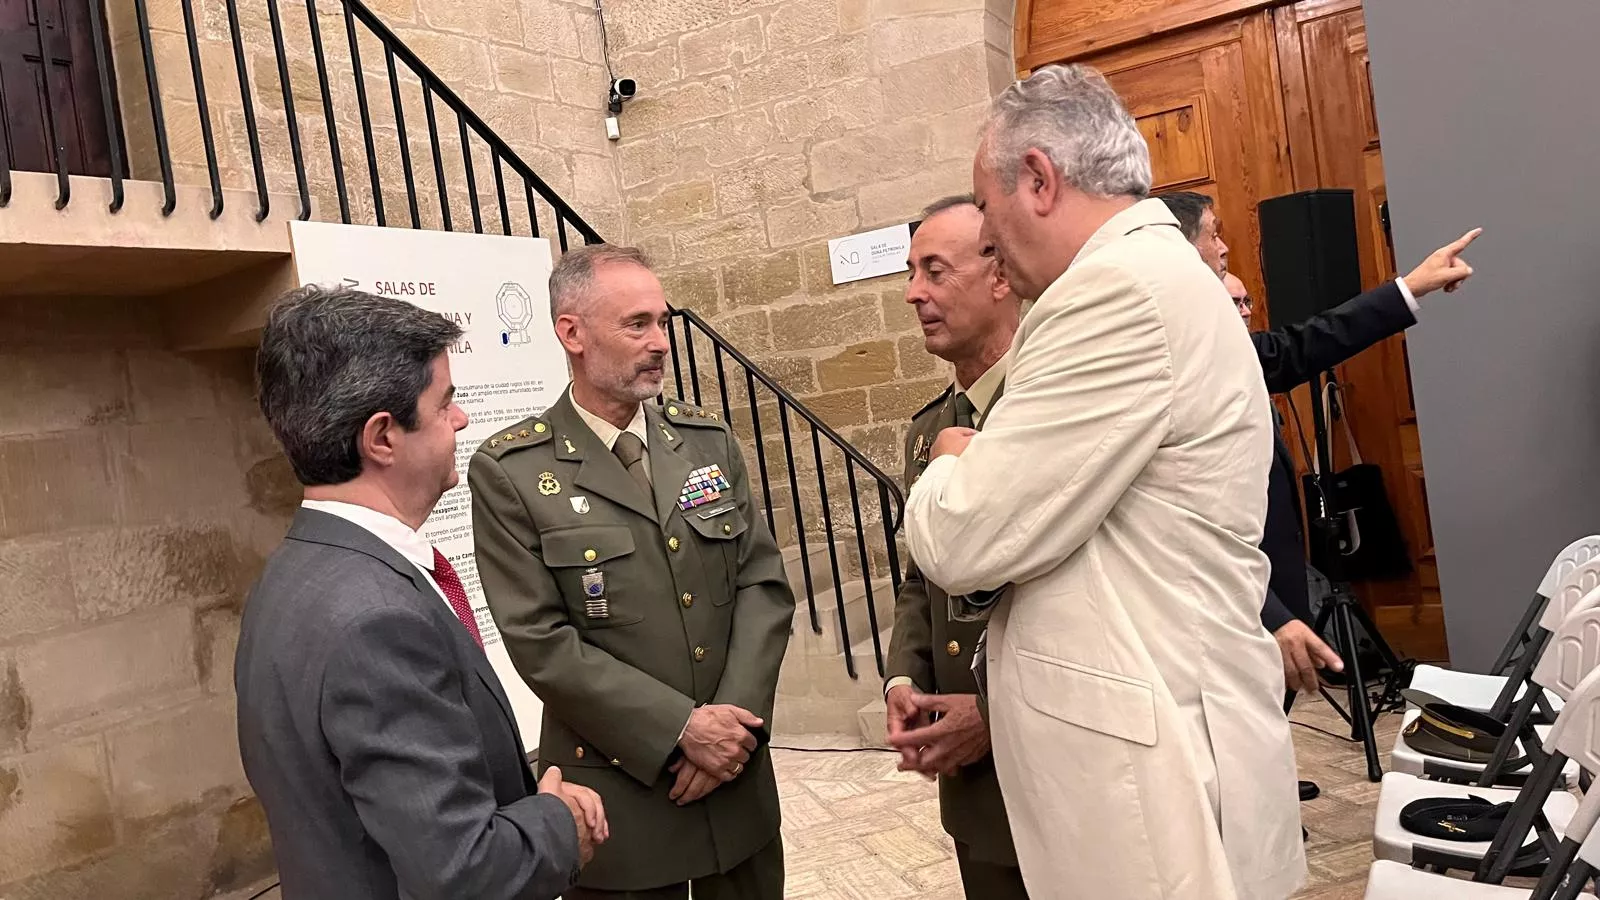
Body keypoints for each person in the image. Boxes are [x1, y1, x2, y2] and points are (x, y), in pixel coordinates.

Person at [903, 64, 1305, 899]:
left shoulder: (1112, 291)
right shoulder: (1154, 273)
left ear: (1038, 179)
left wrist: (949, 460)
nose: (991, 236)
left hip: (1150, 768)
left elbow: (964, 538)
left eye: (987, 207)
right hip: (1159, 729)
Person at [235, 286, 603, 900]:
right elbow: (462, 871)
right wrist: (560, 824)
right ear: (382, 438)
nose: (460, 419)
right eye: (444, 403)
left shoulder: (291, 575)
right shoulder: (375, 622)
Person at [469, 244, 795, 899]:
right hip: (621, 810)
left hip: (737, 798)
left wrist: (731, 728)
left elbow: (761, 584)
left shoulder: (704, 441)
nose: (661, 342)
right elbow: (540, 640)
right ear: (572, 333)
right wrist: (680, 730)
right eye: (637, 324)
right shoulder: (513, 472)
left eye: (663, 322)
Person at [883, 195, 1028, 898]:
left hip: (1053, 764)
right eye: (912, 272)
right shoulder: (929, 431)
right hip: (973, 791)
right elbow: (923, 577)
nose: (914, 293)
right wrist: (903, 679)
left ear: (999, 275)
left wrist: (996, 715)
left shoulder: (1046, 411)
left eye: (935, 271)